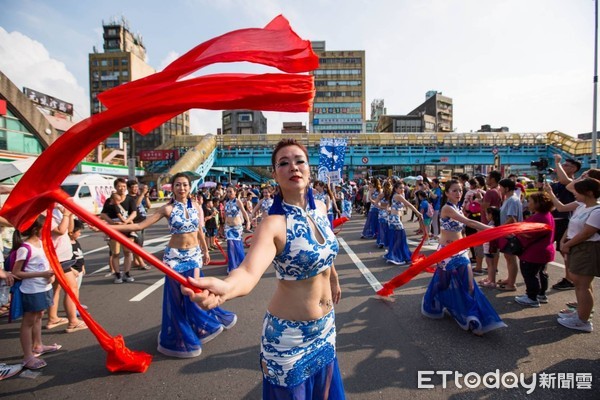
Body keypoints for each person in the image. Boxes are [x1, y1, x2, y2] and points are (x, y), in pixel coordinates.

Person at [182, 139, 344, 399]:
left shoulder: (321, 209)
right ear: (275, 174)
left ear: (309, 168)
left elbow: (326, 254)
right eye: (284, 163)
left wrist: (334, 280)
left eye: (299, 160)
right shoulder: (273, 224)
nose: (293, 167)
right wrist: (226, 288)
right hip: (289, 339)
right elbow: (247, 272)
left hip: (326, 328)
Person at [111, 173, 237, 357]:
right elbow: (139, 227)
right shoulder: (166, 209)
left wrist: (205, 250)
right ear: (172, 188)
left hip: (194, 255)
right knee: (176, 297)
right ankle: (180, 335)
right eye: (178, 185)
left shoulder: (195, 206)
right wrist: (105, 226)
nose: (182, 188)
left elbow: (199, 230)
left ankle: (199, 326)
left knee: (194, 293)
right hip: (174, 257)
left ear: (189, 187)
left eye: (185, 185)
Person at [421, 180, 506, 336]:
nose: (458, 193)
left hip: (461, 253)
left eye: (460, 190)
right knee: (443, 283)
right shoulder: (447, 208)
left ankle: (472, 318)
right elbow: (469, 222)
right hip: (446, 253)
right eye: (454, 191)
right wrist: (494, 229)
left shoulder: (458, 207)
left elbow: (463, 229)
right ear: (446, 193)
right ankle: (433, 300)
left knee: (469, 286)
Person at [545, 178, 600, 332]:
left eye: (578, 191)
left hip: (586, 248)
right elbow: (571, 226)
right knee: (579, 283)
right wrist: (563, 241)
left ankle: (583, 320)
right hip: (575, 246)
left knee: (583, 285)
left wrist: (567, 244)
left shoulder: (597, 211)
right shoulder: (582, 206)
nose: (574, 193)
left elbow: (586, 233)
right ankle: (580, 314)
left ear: (589, 192)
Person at [11, 215, 62, 370]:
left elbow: (43, 265)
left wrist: (50, 276)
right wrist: (42, 274)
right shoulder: (25, 248)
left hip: (44, 287)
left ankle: (38, 345)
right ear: (36, 229)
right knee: (28, 322)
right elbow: (16, 272)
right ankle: (27, 356)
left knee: (39, 316)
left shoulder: (41, 243)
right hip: (32, 290)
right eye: (44, 227)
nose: (47, 230)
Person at [46, 206, 87, 333]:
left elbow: (69, 230)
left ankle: (53, 318)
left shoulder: (57, 211)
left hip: (62, 257)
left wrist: (68, 215)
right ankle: (73, 322)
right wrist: (65, 215)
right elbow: (60, 230)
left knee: (56, 289)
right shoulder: (45, 214)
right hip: (57, 258)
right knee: (72, 288)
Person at [514, 192, 555, 308]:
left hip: (534, 252)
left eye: (530, 202)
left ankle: (532, 297)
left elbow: (530, 234)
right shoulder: (548, 215)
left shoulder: (538, 217)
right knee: (541, 273)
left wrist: (517, 230)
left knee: (530, 275)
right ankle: (541, 294)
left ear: (538, 203)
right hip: (544, 250)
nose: (528, 204)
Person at [549, 154, 582, 291]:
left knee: (565, 251)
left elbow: (564, 180)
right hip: (553, 219)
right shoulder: (557, 184)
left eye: (566, 165)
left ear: (574, 169)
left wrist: (557, 162)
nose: (562, 166)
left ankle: (570, 278)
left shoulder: (574, 184)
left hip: (564, 221)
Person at [100, 178, 137, 284]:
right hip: (115, 229)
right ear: (115, 187)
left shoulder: (130, 199)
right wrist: (112, 223)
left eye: (124, 186)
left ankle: (127, 273)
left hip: (128, 228)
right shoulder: (110, 200)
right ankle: (117, 274)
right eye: (120, 186)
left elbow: (134, 213)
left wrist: (126, 223)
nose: (122, 188)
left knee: (127, 252)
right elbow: (103, 214)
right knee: (115, 253)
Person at [385, 182, 423, 265]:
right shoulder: (397, 196)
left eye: (403, 188)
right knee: (400, 236)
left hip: (394, 218)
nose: (402, 189)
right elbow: (408, 204)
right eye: (400, 188)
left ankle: (394, 254)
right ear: (395, 189)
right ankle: (396, 255)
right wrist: (418, 213)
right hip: (395, 219)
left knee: (397, 237)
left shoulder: (397, 195)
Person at [496, 179, 523, 291]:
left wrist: (499, 229)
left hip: (510, 233)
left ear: (506, 188)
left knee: (511, 258)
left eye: (501, 187)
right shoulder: (509, 199)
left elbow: (512, 218)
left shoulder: (512, 200)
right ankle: (509, 279)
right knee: (508, 257)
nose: (499, 189)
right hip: (507, 232)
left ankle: (511, 284)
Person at [224, 186, 251, 274]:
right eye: (227, 192)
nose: (229, 193)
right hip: (228, 227)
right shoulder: (226, 202)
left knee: (237, 245)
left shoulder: (238, 201)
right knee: (230, 245)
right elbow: (225, 215)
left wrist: (248, 222)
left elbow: (244, 212)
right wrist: (224, 224)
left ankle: (242, 264)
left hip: (236, 227)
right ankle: (232, 266)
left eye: (230, 192)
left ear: (235, 192)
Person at [128, 180, 152, 270]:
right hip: (135, 223)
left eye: (136, 187)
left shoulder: (139, 196)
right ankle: (141, 263)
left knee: (140, 244)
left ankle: (135, 261)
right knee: (137, 245)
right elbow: (136, 205)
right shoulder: (129, 198)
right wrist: (142, 194)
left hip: (143, 223)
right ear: (129, 188)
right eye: (133, 187)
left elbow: (149, 206)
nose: (135, 189)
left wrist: (146, 197)